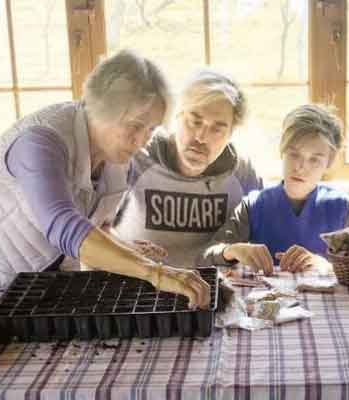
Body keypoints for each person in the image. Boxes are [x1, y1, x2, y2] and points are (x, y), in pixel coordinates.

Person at [0, 50, 209, 308]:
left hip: (30, 285)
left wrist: (127, 250)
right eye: (135, 126)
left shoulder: (119, 158)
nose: (142, 141)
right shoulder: (41, 141)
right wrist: (155, 273)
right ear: (101, 108)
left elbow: (96, 228)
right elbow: (63, 226)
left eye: (151, 129)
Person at [112, 69, 262, 268]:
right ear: (176, 116)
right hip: (138, 288)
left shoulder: (243, 173)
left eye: (217, 128)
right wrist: (125, 250)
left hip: (216, 292)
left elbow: (263, 234)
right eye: (194, 121)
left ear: (231, 133)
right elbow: (90, 234)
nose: (201, 136)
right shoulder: (135, 159)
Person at [199, 104, 349, 275]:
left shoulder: (343, 207)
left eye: (314, 160)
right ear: (282, 150)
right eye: (294, 154)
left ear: (329, 162)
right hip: (267, 300)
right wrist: (233, 250)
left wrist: (324, 266)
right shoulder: (253, 205)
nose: (301, 167)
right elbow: (207, 255)